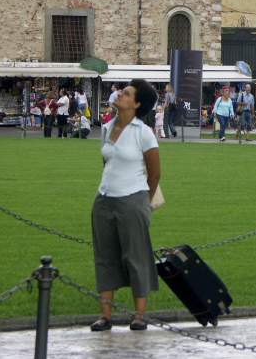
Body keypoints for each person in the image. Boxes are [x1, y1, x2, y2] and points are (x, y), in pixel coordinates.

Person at [90, 79, 160, 332]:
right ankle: (105, 315)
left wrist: (144, 201)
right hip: (104, 199)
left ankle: (139, 315)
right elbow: (107, 164)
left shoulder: (144, 132)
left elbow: (154, 174)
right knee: (105, 257)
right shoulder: (107, 127)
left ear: (137, 103)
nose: (120, 94)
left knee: (136, 257)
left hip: (133, 198)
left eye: (127, 93)